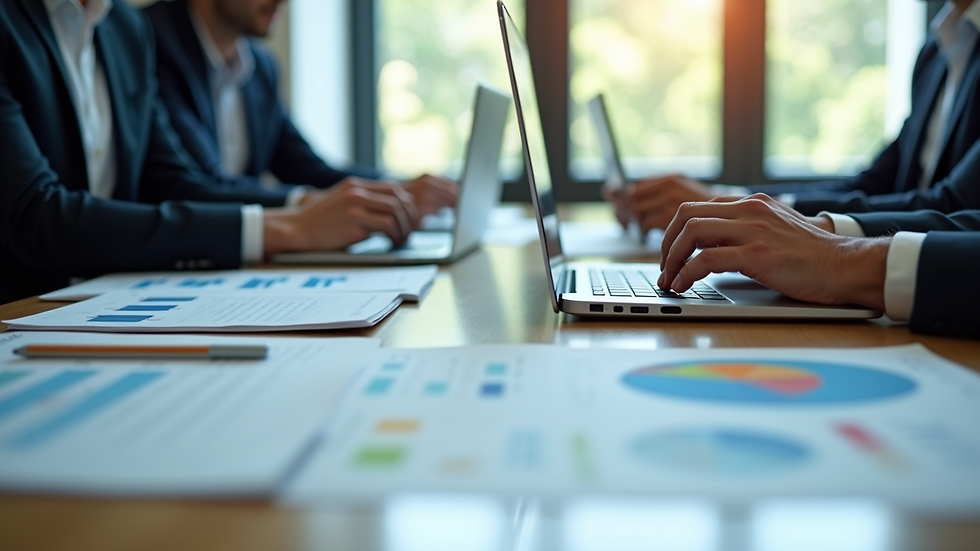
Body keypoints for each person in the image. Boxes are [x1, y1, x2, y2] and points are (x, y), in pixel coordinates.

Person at [0, 0, 418, 303]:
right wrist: (291, 226)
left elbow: (179, 183)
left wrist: (337, 206)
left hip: (106, 304)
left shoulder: (124, 29)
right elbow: (35, 215)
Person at [609, 0, 980, 232]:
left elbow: (953, 208)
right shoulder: (937, 51)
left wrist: (749, 213)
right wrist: (735, 202)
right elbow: (873, 184)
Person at [143, 0, 458, 217]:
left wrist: (396, 188)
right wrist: (312, 206)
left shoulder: (260, 67)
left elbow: (310, 170)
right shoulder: (148, 40)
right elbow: (198, 184)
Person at [656, 194, 980, 339]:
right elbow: (874, 181)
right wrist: (815, 232)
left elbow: (954, 199)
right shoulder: (930, 61)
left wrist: (846, 259)